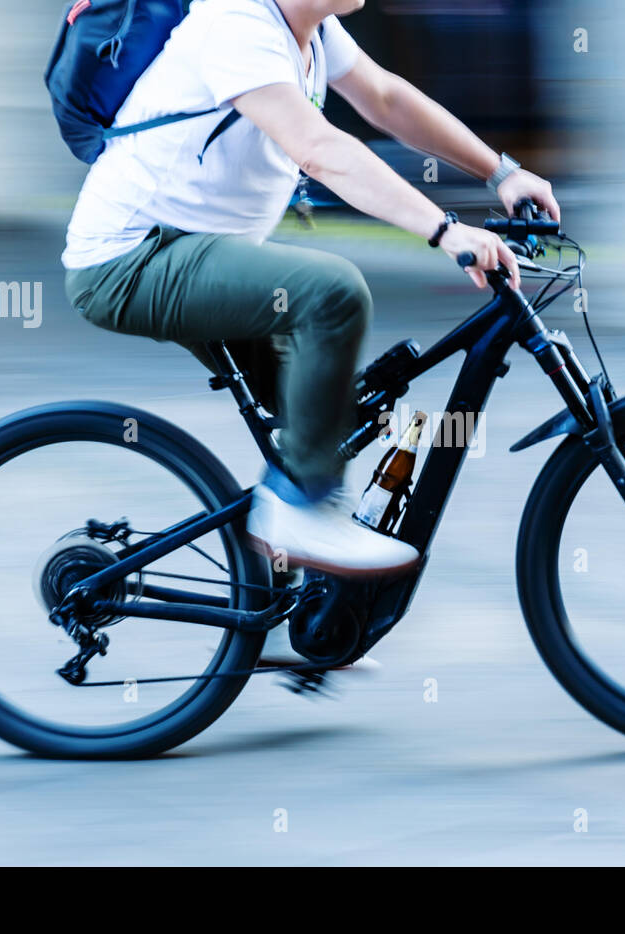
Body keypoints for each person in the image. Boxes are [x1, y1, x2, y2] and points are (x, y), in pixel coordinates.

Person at [62, 0, 558, 575]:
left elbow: (387, 99)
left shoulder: (313, 31)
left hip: (201, 254)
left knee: (335, 418)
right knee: (332, 294)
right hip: (132, 260)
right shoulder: (236, 24)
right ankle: (296, 512)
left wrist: (501, 172)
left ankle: (293, 604)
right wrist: (444, 230)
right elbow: (320, 151)